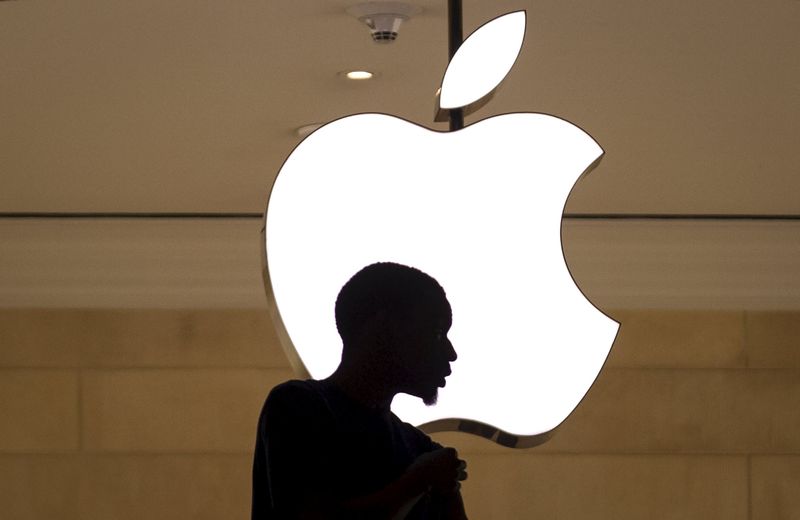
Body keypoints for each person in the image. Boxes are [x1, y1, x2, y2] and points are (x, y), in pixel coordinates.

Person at [252, 262, 468, 519]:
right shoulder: (297, 406)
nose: (451, 353)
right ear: (385, 328)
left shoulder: (424, 451)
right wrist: (420, 481)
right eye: (436, 333)